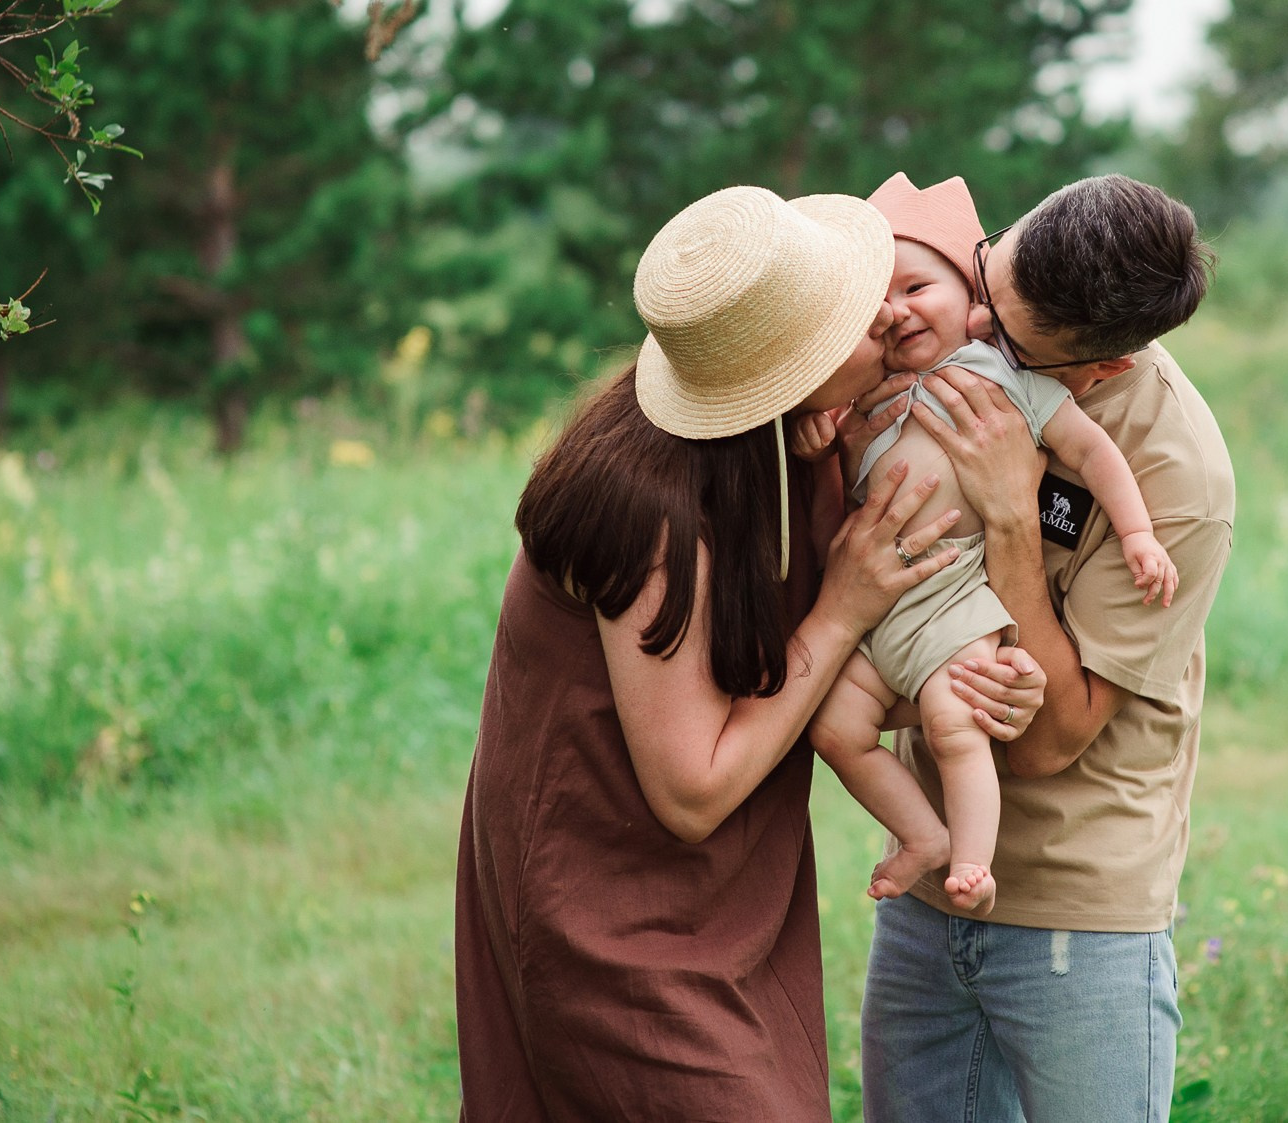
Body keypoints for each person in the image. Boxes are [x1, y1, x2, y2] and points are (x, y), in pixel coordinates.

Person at [452, 185, 1049, 1122]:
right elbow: (693, 788)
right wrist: (845, 608)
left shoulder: (789, 445)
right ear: (796, 369)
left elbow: (790, 675)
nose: (890, 314)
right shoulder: (645, 501)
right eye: (859, 311)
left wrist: (954, 676)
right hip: (611, 904)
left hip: (735, 893)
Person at [857, 174, 1236, 1123]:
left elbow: (1045, 739)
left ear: (1099, 369)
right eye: (983, 274)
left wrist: (1010, 513)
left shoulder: (1174, 474)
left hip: (1076, 919)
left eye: (1007, 335)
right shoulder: (958, 323)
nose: (970, 322)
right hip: (930, 897)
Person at [805, 175, 1178, 920]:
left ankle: (972, 861)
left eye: (918, 286)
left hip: (952, 610)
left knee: (956, 724)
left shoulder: (1007, 380)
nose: (975, 323)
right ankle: (919, 834)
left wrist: (1137, 533)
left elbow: (1096, 452)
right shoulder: (874, 375)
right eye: (880, 294)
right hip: (877, 614)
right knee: (834, 729)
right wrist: (818, 434)